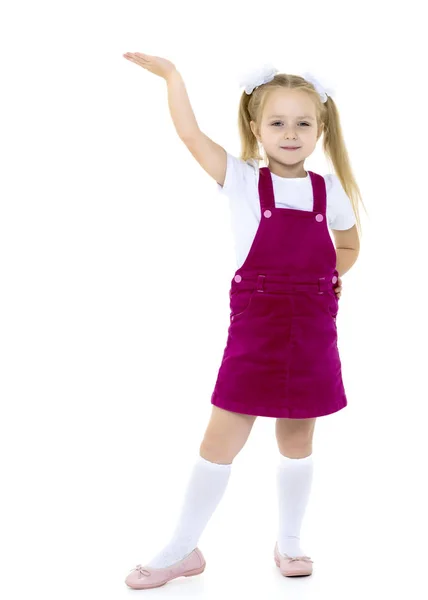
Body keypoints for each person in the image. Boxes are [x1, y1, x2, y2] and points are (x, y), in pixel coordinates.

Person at [122, 54, 363, 590]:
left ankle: (292, 542)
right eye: (277, 122)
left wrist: (334, 272)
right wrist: (173, 78)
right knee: (221, 438)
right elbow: (189, 135)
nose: (291, 133)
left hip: (314, 329)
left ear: (321, 128)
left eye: (304, 122)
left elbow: (347, 244)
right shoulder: (239, 178)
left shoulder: (329, 190)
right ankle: (182, 547)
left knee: (298, 437)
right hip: (258, 326)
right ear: (256, 127)